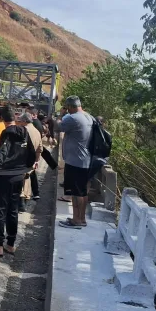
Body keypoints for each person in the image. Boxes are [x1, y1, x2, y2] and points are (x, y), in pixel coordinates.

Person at [0, 105, 35, 257]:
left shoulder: (7, 132)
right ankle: (11, 244)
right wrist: (29, 165)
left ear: (1, 119)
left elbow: (3, 151)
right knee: (13, 209)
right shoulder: (24, 131)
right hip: (19, 175)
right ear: (16, 118)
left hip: (3, 176)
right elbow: (31, 151)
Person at [59, 96, 93, 229]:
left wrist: (60, 116)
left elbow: (59, 127)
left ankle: (76, 220)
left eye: (67, 108)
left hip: (75, 161)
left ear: (71, 107)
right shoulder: (88, 116)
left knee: (76, 192)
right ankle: (82, 218)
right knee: (83, 192)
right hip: (86, 159)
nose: (67, 110)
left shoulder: (73, 118)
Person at [17, 112, 43, 206]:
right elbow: (40, 148)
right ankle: (25, 199)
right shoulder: (36, 131)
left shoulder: (22, 130)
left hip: (23, 159)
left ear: (24, 121)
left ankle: (21, 201)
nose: (19, 122)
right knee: (27, 179)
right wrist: (36, 160)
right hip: (32, 159)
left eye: (20, 121)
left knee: (21, 179)